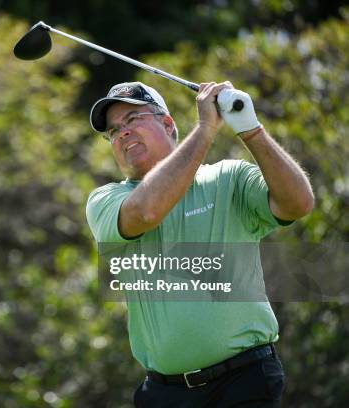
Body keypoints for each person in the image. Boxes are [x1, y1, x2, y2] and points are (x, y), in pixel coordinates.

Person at [85, 81, 314, 407]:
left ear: (167, 124)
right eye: (113, 130)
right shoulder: (106, 200)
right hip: (165, 394)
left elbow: (298, 204)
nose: (122, 133)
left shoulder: (227, 178)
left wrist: (251, 131)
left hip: (244, 381)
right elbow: (146, 211)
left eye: (133, 120)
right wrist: (206, 129)